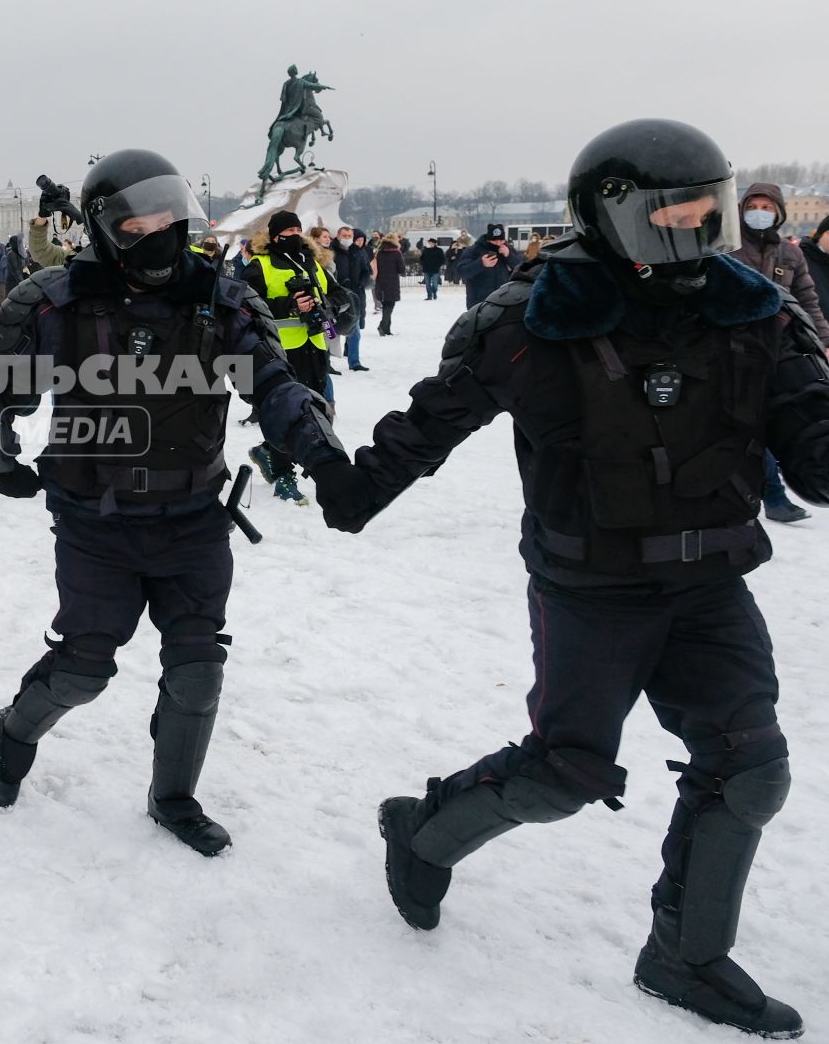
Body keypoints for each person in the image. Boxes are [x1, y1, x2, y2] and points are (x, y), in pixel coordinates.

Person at [316, 119, 829, 1039]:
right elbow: (431, 423)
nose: (694, 228)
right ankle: (423, 833)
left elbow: (817, 446)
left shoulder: (753, 312)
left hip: (711, 582)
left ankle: (685, 956)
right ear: (614, 213)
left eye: (706, 211)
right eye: (674, 211)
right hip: (590, 587)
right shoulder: (532, 319)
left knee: (750, 769)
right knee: (567, 772)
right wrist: (350, 485)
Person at [0, 149, 351, 853]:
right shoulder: (57, 299)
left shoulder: (221, 298)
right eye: (136, 224)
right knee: (85, 667)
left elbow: (273, 385)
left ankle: (173, 797)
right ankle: (15, 729)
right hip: (95, 523)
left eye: (166, 219)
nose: (156, 236)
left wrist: (324, 456)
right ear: (106, 229)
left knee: (199, 667)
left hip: (194, 517)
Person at [732, 183, 829, 527]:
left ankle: (773, 495)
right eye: (753, 205)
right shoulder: (727, 248)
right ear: (741, 209)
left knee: (777, 418)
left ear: (779, 212)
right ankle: (762, 495)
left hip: (780, 352)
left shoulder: (790, 255)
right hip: (735, 352)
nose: (760, 212)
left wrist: (821, 343)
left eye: (767, 206)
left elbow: (808, 302)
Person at [244, 210, 334, 502]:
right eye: (288, 232)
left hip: (315, 345)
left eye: (298, 230)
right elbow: (245, 307)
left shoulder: (312, 263)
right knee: (285, 412)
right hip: (279, 350)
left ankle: (269, 452)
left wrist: (334, 308)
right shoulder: (260, 265)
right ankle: (284, 474)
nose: (294, 236)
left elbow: (334, 294)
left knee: (316, 410)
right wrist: (288, 304)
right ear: (274, 236)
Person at [331, 226, 371, 369]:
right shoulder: (331, 250)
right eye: (344, 235)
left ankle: (354, 362)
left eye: (349, 236)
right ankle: (327, 363)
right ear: (338, 235)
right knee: (330, 332)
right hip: (335, 296)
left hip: (354, 296)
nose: (347, 238)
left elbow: (366, 271)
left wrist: (361, 284)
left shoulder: (358, 252)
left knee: (355, 332)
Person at [456, 223, 516, 307]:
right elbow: (462, 271)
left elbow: (523, 269)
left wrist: (509, 256)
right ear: (488, 240)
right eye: (495, 241)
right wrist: (480, 264)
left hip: (504, 301)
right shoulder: (473, 251)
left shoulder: (508, 249)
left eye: (501, 240)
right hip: (479, 302)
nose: (498, 243)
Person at [373, 234, 403, 335]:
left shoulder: (379, 252)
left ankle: (387, 329)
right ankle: (382, 326)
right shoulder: (396, 253)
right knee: (390, 305)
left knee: (386, 305)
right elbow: (401, 269)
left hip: (380, 281)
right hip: (392, 282)